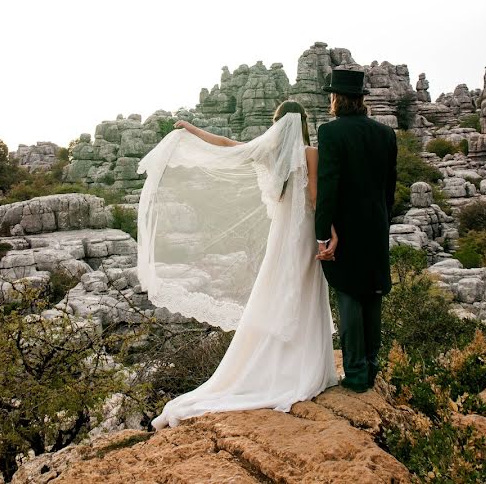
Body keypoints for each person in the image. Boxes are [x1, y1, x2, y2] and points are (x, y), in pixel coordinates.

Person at [137, 100, 339, 430]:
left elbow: (227, 145)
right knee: (303, 291)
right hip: (304, 235)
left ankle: (280, 364)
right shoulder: (310, 153)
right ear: (303, 123)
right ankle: (301, 365)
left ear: (276, 126)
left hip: (281, 238)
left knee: (277, 292)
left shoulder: (269, 154)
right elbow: (316, 198)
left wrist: (191, 130)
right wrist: (329, 232)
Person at [315, 68, 398, 393]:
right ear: (361, 99)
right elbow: (389, 189)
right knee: (372, 293)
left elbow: (328, 186)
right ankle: (372, 366)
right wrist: (383, 220)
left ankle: (357, 374)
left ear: (336, 98)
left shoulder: (331, 133)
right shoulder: (385, 134)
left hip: (346, 228)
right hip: (376, 225)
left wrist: (323, 232)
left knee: (349, 295)